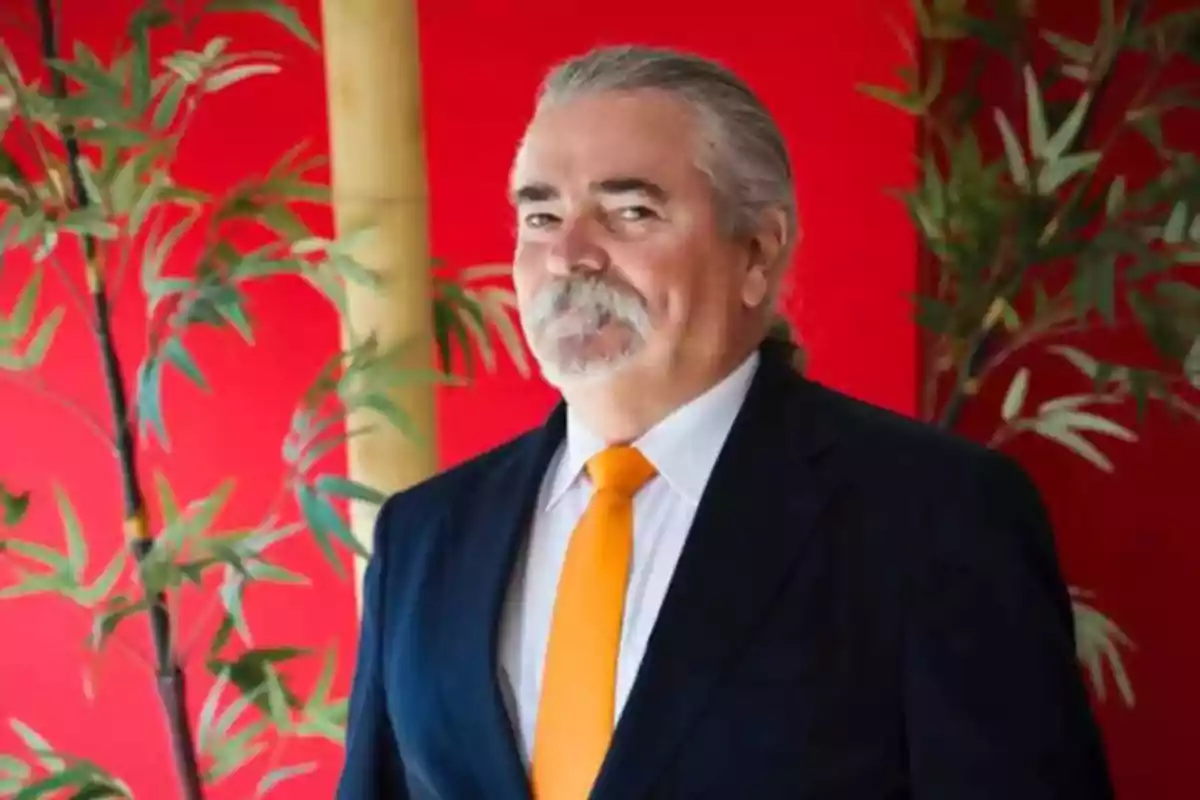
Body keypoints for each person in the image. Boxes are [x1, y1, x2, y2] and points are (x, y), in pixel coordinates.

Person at [336, 45, 1114, 800]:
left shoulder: (934, 516)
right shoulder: (423, 535)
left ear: (758, 253)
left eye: (629, 211)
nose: (569, 255)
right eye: (541, 216)